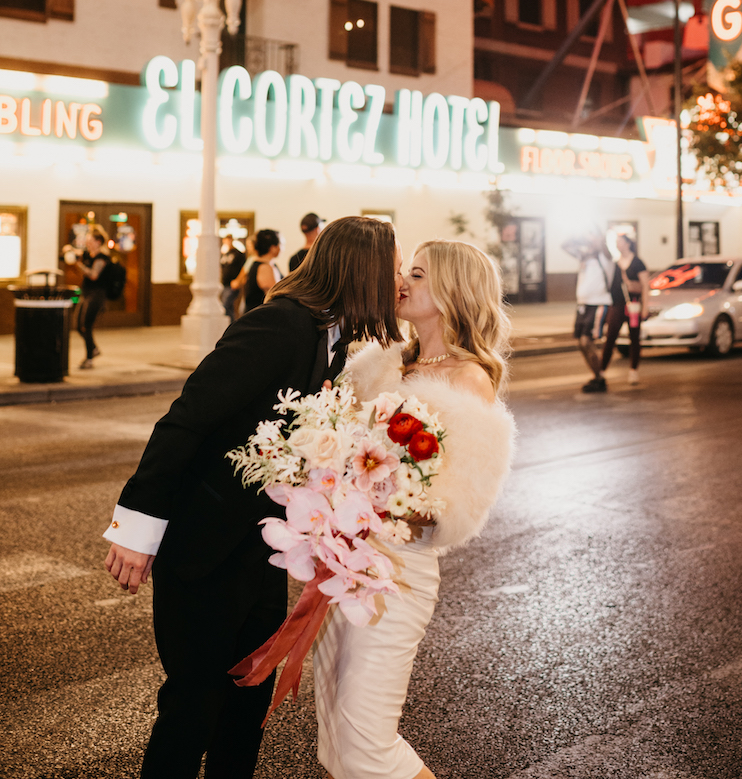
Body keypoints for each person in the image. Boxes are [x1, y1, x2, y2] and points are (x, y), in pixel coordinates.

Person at [102, 216, 403, 779]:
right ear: (360, 271)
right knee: (193, 703)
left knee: (247, 699)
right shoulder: (278, 326)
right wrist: (137, 528)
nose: (397, 283)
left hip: (258, 549)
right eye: (391, 270)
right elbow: (186, 419)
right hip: (202, 545)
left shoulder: (330, 339)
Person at [314, 239, 515, 779]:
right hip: (345, 562)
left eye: (418, 275)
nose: (401, 281)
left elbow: (453, 502)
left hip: (397, 575)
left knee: (367, 743)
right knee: (334, 738)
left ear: (452, 292)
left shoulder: (467, 378)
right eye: (406, 271)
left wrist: (370, 485)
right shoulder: (380, 363)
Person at [562, 231, 615, 393]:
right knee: (581, 343)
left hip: (598, 303)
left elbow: (603, 247)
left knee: (587, 341)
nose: (591, 241)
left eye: (594, 238)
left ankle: (600, 377)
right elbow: (564, 245)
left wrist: (599, 239)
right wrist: (578, 235)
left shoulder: (605, 258)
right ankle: (597, 376)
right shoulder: (583, 257)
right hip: (583, 305)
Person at [598, 233, 650, 386]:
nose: (618, 245)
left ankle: (633, 371)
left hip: (633, 305)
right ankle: (601, 370)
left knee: (634, 337)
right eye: (616, 242)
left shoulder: (638, 262)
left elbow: (645, 286)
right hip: (617, 304)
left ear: (628, 243)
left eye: (620, 242)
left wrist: (645, 307)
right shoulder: (615, 263)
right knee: (610, 337)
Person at [73, 225, 112, 370]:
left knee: (86, 325)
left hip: (96, 295)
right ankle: (93, 349)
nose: (87, 242)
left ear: (98, 241)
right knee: (78, 325)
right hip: (86, 293)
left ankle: (89, 358)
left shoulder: (102, 258)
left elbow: (94, 275)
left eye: (90, 240)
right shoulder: (90, 256)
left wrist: (79, 265)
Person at [241, 228, 283, 314]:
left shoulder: (268, 265)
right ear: (272, 248)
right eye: (280, 244)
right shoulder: (264, 267)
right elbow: (275, 296)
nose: (282, 247)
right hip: (258, 319)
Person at [219, 236, 246, 320]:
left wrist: (238, 280)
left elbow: (244, 268)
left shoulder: (238, 254)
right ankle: (230, 324)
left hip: (233, 283)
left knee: (225, 305)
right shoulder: (225, 254)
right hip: (225, 283)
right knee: (229, 307)